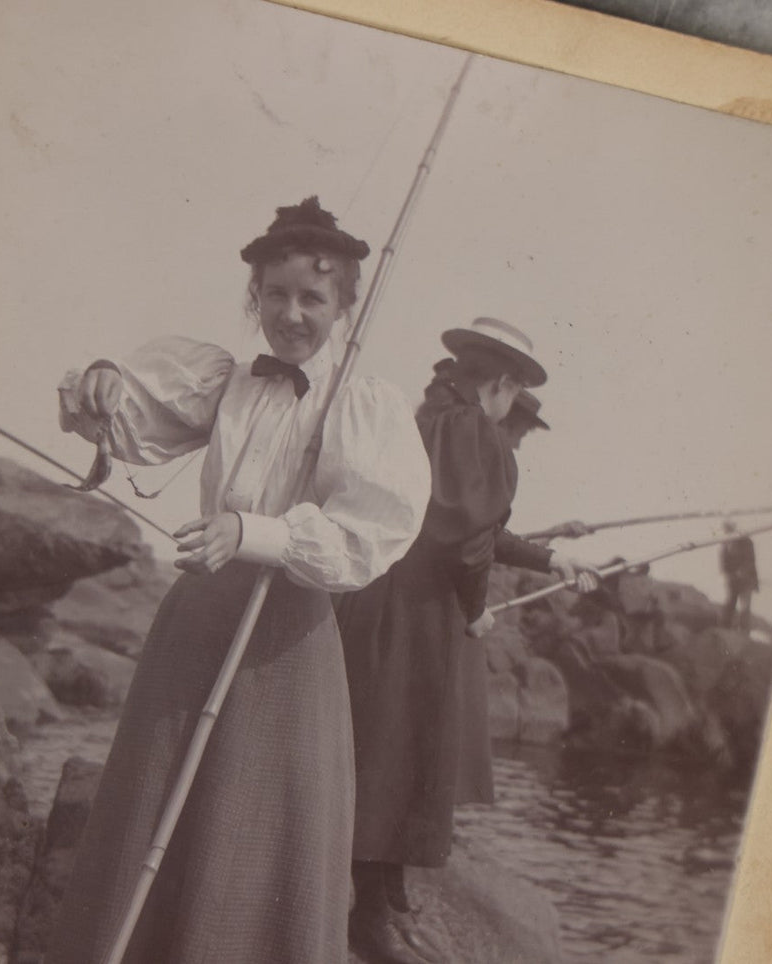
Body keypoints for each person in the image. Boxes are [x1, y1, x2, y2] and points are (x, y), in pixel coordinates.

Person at [45, 197, 430, 964]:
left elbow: (371, 533)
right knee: (157, 815)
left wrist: (255, 533)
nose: (291, 314)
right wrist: (100, 387)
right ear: (253, 298)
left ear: (343, 307)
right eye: (275, 295)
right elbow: (131, 418)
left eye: (312, 298)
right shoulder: (228, 380)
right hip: (200, 619)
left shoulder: (356, 403)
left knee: (253, 823)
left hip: (283, 637)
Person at [335, 319, 598, 964]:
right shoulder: (474, 430)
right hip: (421, 611)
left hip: (377, 597)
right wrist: (475, 611)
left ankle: (382, 895)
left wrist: (549, 558)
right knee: (408, 746)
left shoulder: (428, 418)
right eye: (514, 395)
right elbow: (468, 536)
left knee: (380, 743)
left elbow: (464, 523)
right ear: (505, 384)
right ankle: (371, 914)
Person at [720, 518, 759, 632]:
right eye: (725, 529)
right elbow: (723, 565)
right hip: (733, 581)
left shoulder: (746, 541)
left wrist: (744, 572)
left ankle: (744, 632)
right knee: (730, 603)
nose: (727, 531)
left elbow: (751, 560)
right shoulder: (725, 544)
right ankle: (725, 629)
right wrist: (729, 575)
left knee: (745, 607)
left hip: (746, 580)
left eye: (728, 528)